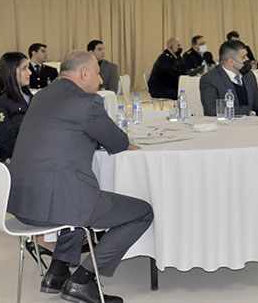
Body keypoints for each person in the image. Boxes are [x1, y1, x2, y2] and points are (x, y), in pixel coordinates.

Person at [8, 51, 152, 303]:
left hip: (24, 202)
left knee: (76, 201)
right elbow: (117, 141)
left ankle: (57, 272)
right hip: (57, 203)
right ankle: (83, 280)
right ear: (84, 73)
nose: (100, 80)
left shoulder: (41, 96)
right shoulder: (87, 102)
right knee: (141, 212)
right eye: (97, 73)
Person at [200, 40, 258, 117]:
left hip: (250, 122)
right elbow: (212, 110)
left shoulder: (248, 75)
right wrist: (246, 113)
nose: (247, 59)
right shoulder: (210, 79)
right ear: (231, 61)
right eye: (243, 57)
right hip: (224, 123)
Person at [0, 52, 32, 162]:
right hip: (17, 158)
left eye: (28, 68)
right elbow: (4, 138)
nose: (29, 72)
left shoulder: (30, 97)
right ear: (11, 71)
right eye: (24, 68)